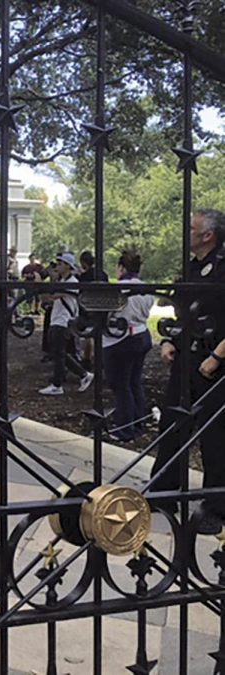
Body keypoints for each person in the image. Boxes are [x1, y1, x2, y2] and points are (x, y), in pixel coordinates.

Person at [151, 209, 225, 534]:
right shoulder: (192, 268)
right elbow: (183, 311)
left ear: (208, 235)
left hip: (215, 363)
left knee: (215, 436)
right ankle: (165, 491)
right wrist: (169, 340)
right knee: (172, 423)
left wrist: (218, 357)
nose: (187, 231)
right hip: (186, 358)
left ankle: (216, 506)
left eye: (192, 227)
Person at [101, 251, 154, 442]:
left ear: (122, 267)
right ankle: (139, 422)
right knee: (134, 382)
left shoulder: (118, 290)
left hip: (121, 339)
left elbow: (105, 314)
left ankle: (124, 428)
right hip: (142, 335)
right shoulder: (146, 289)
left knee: (121, 385)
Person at [38, 252, 94, 396]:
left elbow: (53, 296)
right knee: (59, 353)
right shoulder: (63, 281)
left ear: (68, 267)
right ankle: (83, 374)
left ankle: (58, 384)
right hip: (57, 319)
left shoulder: (72, 282)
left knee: (59, 354)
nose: (58, 266)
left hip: (63, 321)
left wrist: (42, 285)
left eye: (61, 264)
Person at [76, 251, 110, 369]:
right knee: (100, 334)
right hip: (102, 306)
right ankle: (100, 359)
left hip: (88, 307)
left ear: (83, 263)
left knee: (88, 334)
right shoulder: (103, 274)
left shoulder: (84, 277)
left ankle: (87, 360)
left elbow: (80, 293)